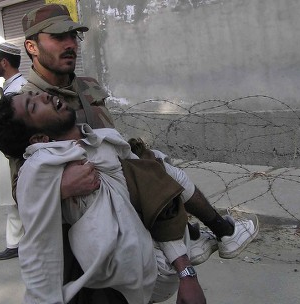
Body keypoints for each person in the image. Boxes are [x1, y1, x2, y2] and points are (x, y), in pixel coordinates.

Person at [19, 3, 259, 266]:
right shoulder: (24, 107)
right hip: (91, 226)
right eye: (58, 37)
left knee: (156, 165)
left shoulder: (87, 85)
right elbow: (19, 189)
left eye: (72, 36)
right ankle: (209, 234)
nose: (70, 44)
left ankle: (201, 234)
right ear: (32, 47)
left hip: (132, 196)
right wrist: (63, 187)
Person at [0, 91, 206, 304]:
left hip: (153, 265)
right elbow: (35, 241)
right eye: (34, 105)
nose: (44, 97)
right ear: (39, 140)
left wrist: (186, 272)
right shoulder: (40, 165)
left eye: (37, 95)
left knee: (156, 166)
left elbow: (155, 193)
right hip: (118, 280)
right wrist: (58, 189)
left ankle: (214, 232)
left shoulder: (104, 140)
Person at [0, 42, 27, 260]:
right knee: (14, 200)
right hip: (7, 153)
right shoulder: (12, 86)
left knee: (18, 198)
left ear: (4, 63)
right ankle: (16, 242)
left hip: (14, 154)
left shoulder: (17, 90)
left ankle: (20, 244)